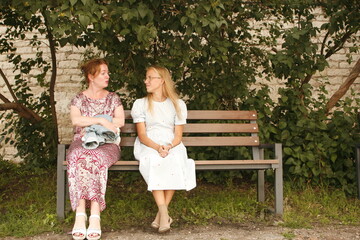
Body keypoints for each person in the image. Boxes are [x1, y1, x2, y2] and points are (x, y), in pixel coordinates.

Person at [131, 65, 196, 233]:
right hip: (149, 144)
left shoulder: (177, 104)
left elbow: (178, 136)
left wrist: (168, 146)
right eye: (146, 77)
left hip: (171, 144)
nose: (146, 81)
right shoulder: (141, 104)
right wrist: (157, 147)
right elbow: (143, 135)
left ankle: (161, 215)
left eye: (150, 77)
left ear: (161, 81)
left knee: (174, 159)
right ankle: (164, 211)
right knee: (155, 160)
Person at [66, 58, 125, 240]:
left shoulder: (113, 98)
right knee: (78, 156)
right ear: (91, 76)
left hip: (107, 145)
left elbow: (120, 122)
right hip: (82, 142)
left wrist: (91, 120)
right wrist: (101, 120)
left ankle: (95, 215)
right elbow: (76, 120)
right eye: (103, 73)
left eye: (107, 72)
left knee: (95, 157)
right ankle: (81, 213)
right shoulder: (79, 98)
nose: (108, 76)